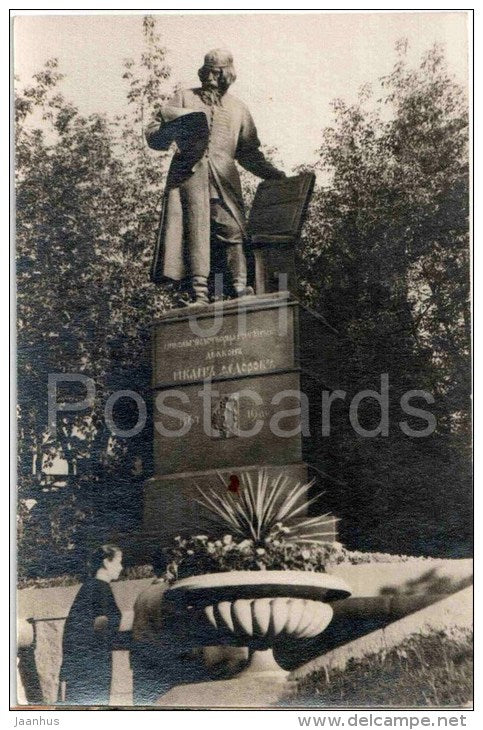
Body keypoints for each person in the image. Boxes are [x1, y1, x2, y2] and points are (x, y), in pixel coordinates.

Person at [147, 48, 286, 306]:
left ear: (228, 76)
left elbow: (249, 153)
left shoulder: (239, 109)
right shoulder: (184, 97)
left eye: (217, 73)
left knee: (232, 230)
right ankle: (199, 294)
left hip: (224, 179)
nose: (210, 78)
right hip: (190, 177)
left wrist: (273, 174)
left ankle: (241, 288)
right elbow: (154, 133)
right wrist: (172, 126)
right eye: (207, 72)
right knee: (196, 232)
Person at [59, 544, 123, 705]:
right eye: (118, 562)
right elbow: (100, 623)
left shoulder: (88, 586)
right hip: (94, 663)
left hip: (80, 663)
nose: (121, 567)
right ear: (107, 563)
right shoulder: (101, 588)